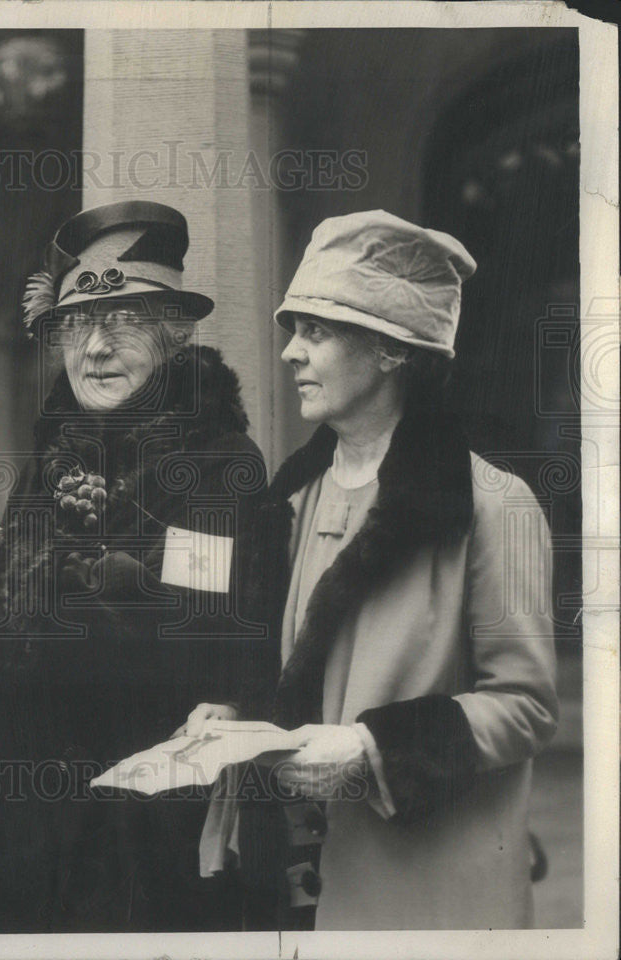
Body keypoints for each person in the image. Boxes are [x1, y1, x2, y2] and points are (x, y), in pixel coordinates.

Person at [0, 200, 271, 931]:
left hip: (145, 836)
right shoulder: (57, 457)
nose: (94, 347)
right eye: (76, 325)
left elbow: (182, 617)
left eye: (123, 321)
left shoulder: (222, 463)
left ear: (175, 331)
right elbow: (1, 626)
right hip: (28, 836)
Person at [188, 209, 558, 930]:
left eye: (316, 332)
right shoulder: (288, 498)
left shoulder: (492, 505)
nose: (291, 353)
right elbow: (298, 676)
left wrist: (369, 748)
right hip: (297, 888)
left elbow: (528, 706)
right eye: (294, 330)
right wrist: (241, 719)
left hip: (428, 895)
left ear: (392, 351)